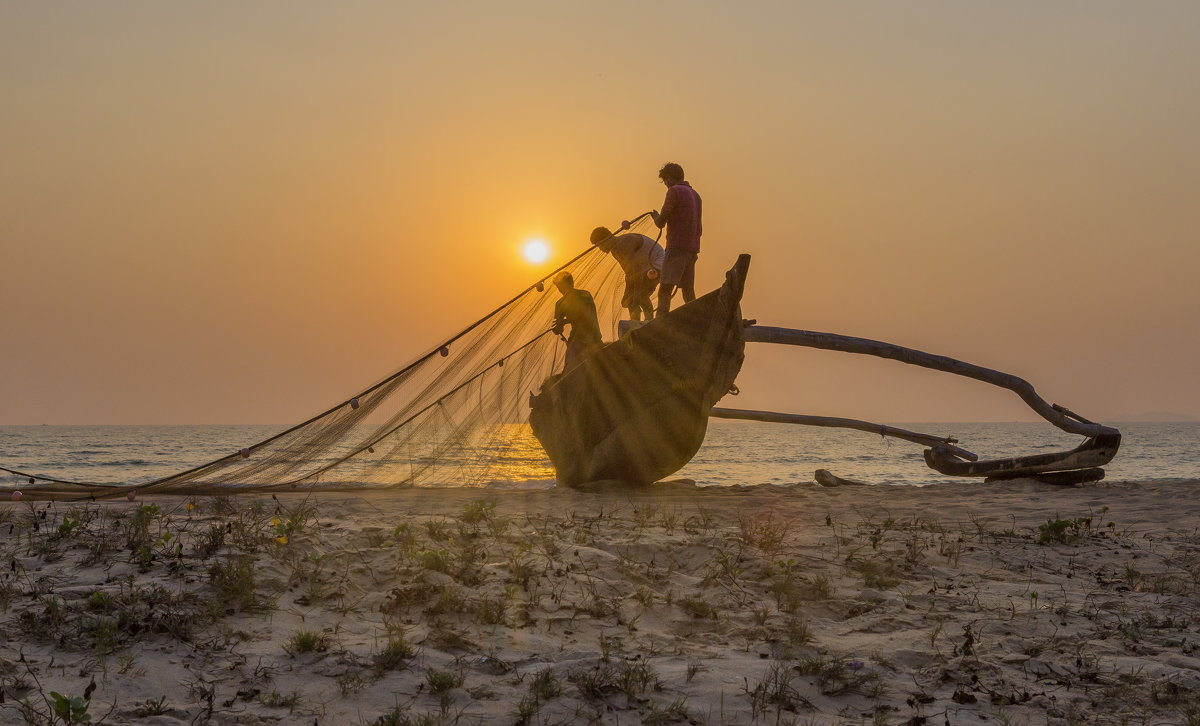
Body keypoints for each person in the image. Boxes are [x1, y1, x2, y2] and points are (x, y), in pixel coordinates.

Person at [649, 162, 702, 317]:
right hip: (692, 249)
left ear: (670, 178)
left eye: (665, 180)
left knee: (665, 289)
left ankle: (659, 326)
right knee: (688, 292)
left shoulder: (674, 191)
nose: (665, 184)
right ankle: (696, 321)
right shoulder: (696, 195)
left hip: (676, 247)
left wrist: (655, 217)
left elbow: (661, 222)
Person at [590, 226, 665, 321]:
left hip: (657, 264)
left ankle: (649, 321)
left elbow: (636, 269)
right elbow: (629, 273)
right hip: (643, 269)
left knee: (641, 295)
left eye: (600, 245)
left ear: (607, 239)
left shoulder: (624, 243)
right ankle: (635, 323)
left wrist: (636, 294)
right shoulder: (614, 251)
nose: (600, 249)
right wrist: (629, 293)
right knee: (628, 300)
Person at [551, 271, 603, 372]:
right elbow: (558, 329)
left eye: (562, 286)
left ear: (571, 283)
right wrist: (557, 327)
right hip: (575, 342)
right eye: (559, 288)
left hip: (593, 338)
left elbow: (587, 315)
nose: (561, 290)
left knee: (602, 369)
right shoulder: (559, 304)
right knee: (569, 372)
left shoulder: (584, 295)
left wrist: (565, 321)